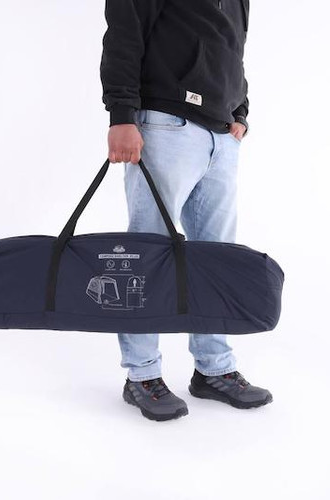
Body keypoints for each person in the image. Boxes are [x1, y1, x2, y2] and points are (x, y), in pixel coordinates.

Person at [100, 0, 272, 421]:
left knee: (217, 257)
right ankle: (142, 375)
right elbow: (124, 30)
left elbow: (232, 48)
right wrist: (121, 115)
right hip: (166, 123)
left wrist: (240, 110)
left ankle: (214, 368)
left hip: (221, 134)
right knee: (147, 253)